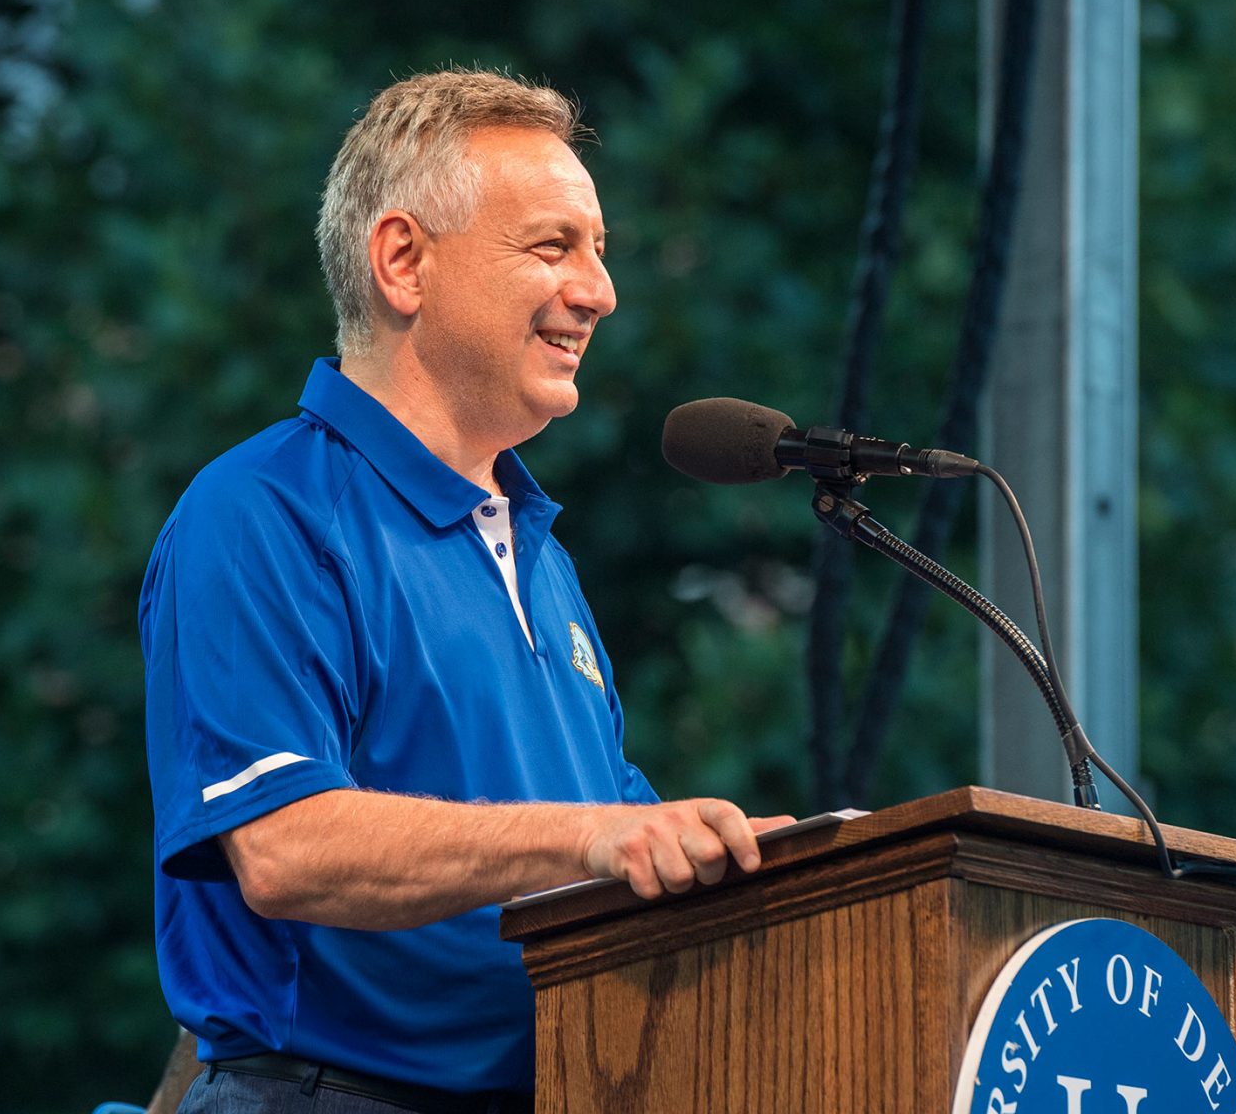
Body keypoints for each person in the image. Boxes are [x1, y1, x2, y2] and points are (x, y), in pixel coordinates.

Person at [141, 69, 792, 1114]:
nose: (598, 289)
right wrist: (590, 836)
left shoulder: (540, 553)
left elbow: (613, 849)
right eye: (552, 245)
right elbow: (282, 843)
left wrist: (754, 869)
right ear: (403, 260)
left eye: (599, 249)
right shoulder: (261, 512)